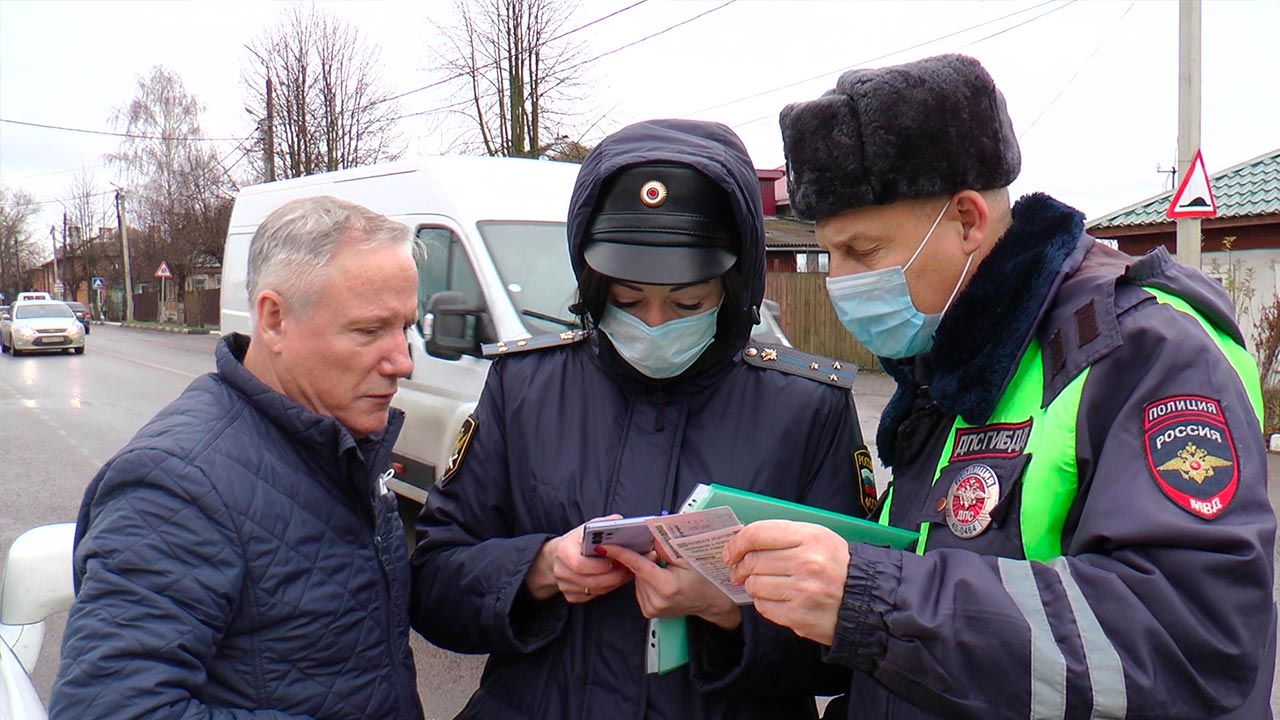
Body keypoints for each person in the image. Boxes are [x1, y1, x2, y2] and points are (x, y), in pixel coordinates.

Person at [725, 53, 1277, 719]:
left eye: (862, 253)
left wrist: (873, 599)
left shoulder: (1143, 347)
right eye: (829, 253)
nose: (839, 281)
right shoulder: (953, 358)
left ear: (966, 221)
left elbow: (1190, 644)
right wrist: (752, 600)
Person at [410, 118, 868, 719]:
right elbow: (434, 583)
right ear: (593, 285)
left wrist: (726, 609)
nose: (654, 323)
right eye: (627, 300)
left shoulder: (808, 409)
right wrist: (539, 569)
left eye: (687, 303)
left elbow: (855, 638)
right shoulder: (523, 388)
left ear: (734, 290)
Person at [50, 196, 425, 720]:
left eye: (406, 327)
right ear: (274, 319)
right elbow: (109, 710)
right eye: (369, 331)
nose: (402, 361)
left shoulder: (338, 442)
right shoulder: (176, 485)